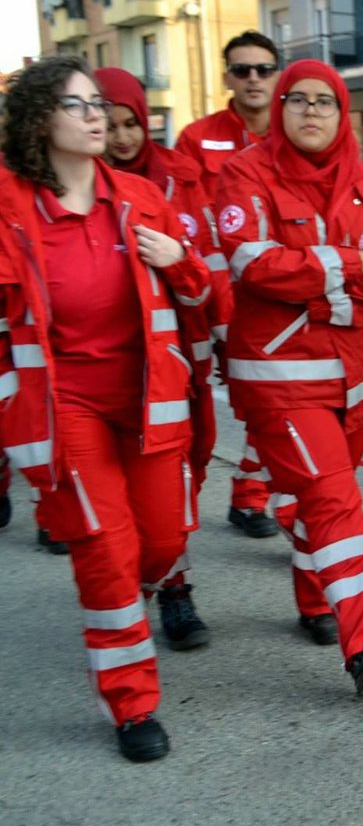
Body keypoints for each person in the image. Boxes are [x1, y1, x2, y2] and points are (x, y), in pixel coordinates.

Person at [0, 56, 214, 761]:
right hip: (68, 410)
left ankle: (137, 600)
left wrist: (177, 258)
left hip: (150, 399)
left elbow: (204, 296)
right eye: (77, 105)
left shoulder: (141, 198)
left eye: (99, 103)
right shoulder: (8, 208)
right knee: (107, 552)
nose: (97, 116)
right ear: (40, 121)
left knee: (162, 540)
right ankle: (132, 703)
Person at [213, 59, 363, 690]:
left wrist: (315, 288)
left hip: (361, 379)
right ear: (280, 108)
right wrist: (351, 261)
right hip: (279, 375)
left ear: (341, 112)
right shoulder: (243, 173)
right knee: (334, 501)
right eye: (297, 99)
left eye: (325, 101)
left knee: (320, 501)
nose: (310, 111)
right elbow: (253, 263)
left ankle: (312, 599)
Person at [98, 66, 232, 649]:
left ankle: (170, 581)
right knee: (115, 507)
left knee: (178, 485)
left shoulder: (177, 179)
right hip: (101, 378)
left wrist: (179, 260)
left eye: (132, 123)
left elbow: (207, 272)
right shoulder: (65, 187)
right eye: (110, 124)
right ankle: (153, 592)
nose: (124, 137)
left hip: (177, 364)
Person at [175, 30, 281, 539]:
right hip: (215, 296)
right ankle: (192, 510)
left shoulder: (293, 134)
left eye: (263, 69)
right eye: (243, 70)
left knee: (274, 399)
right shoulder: (197, 139)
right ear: (228, 78)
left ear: (277, 74)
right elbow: (187, 227)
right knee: (223, 405)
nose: (254, 78)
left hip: (278, 292)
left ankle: (250, 493)